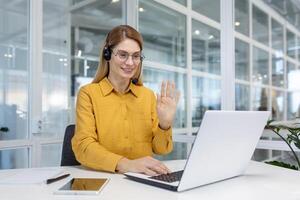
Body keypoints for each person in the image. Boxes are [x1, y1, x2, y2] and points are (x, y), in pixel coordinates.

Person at [72, 25, 180, 176]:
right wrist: (127, 164)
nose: (130, 63)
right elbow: (83, 147)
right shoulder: (88, 94)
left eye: (136, 56)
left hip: (143, 180)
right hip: (105, 178)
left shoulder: (148, 96)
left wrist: (165, 124)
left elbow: (161, 150)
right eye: (123, 55)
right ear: (107, 55)